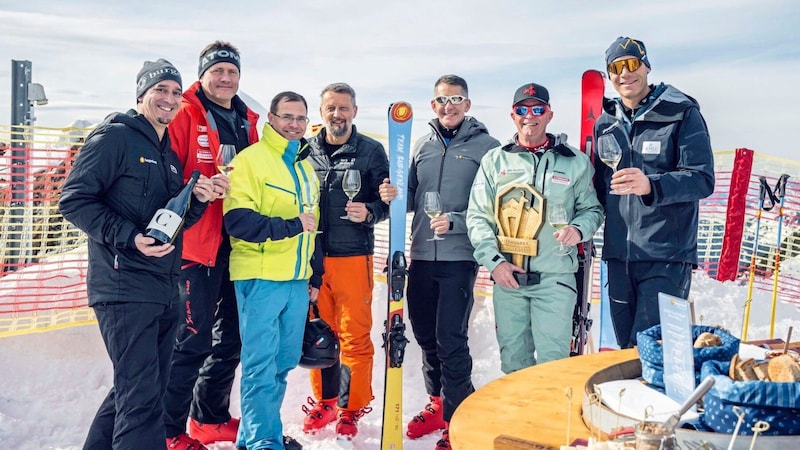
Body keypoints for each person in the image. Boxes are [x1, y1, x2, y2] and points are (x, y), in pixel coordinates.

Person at [58, 59, 216, 449]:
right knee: (141, 399)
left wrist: (196, 201)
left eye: (176, 92)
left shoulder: (165, 152)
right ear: (141, 95)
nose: (169, 99)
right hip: (123, 285)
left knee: (140, 390)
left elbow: (166, 222)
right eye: (160, 90)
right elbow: (74, 201)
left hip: (163, 286)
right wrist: (129, 238)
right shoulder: (114, 138)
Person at [380, 74, 500, 449]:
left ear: (467, 104)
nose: (448, 106)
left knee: (450, 338)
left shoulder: (487, 147)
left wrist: (457, 221)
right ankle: (437, 402)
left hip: (460, 256)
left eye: (456, 99)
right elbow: (412, 197)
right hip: (421, 255)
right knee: (425, 335)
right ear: (433, 105)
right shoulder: (422, 144)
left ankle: (457, 415)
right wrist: (394, 195)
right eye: (441, 100)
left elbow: (494, 205)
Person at [466, 82, 604, 375]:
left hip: (555, 279)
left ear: (549, 115)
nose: (531, 115)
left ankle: (550, 421)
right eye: (523, 110)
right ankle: (519, 422)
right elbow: (478, 217)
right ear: (513, 115)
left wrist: (578, 230)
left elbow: (592, 210)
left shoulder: (573, 161)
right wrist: (494, 264)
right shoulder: (495, 160)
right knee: (514, 364)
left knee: (553, 365)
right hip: (508, 278)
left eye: (538, 109)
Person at [163, 40, 260, 450]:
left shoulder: (248, 119)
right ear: (202, 75)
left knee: (232, 337)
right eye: (217, 71)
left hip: (236, 244)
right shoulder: (183, 112)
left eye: (231, 72)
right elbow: (166, 177)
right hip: (194, 246)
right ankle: (168, 431)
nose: (225, 78)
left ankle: (209, 418)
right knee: (192, 340)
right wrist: (196, 187)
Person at [594, 37, 714, 348]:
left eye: (632, 64)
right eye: (615, 68)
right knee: (625, 354)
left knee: (652, 350)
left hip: (665, 256)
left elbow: (702, 179)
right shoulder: (605, 123)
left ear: (646, 66)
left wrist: (652, 185)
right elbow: (597, 187)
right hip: (619, 257)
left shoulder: (681, 113)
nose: (625, 74)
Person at [223, 91, 319, 450]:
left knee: (284, 361)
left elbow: (315, 227)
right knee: (260, 364)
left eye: (300, 119)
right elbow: (237, 220)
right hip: (260, 277)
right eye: (287, 117)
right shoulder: (251, 161)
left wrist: (314, 276)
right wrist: (290, 225)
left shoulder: (305, 167)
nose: (294, 125)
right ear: (271, 120)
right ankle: (265, 441)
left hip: (295, 279)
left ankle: (257, 435)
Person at [301, 83, 389, 439]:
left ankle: (350, 408)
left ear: (354, 110)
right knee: (320, 333)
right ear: (321, 114)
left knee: (354, 334)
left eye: (343, 108)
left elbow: (386, 201)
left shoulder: (370, 150)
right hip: (314, 258)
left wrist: (368, 211)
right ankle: (326, 399)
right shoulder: (305, 150)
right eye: (330, 109)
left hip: (353, 255)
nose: (337, 114)